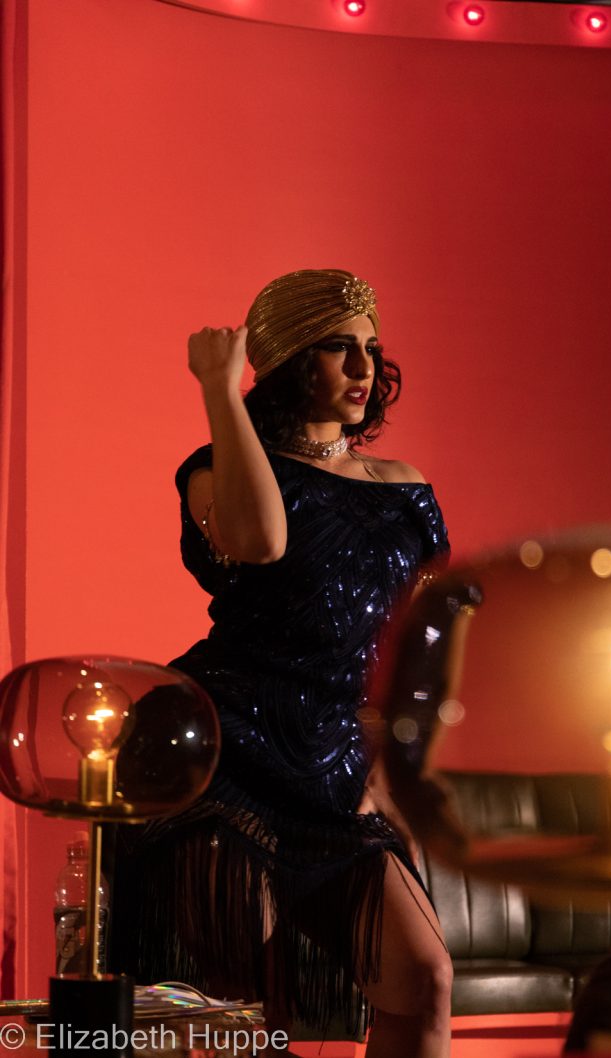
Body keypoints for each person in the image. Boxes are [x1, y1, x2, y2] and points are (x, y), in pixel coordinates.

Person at [109, 269, 452, 1057]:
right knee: (242, 1009)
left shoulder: (403, 487)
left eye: (371, 347)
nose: (363, 367)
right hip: (225, 756)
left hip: (334, 765)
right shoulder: (218, 468)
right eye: (337, 347)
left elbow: (427, 636)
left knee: (424, 978)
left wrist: (389, 758)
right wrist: (219, 390)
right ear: (290, 361)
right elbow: (260, 541)